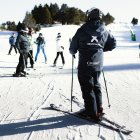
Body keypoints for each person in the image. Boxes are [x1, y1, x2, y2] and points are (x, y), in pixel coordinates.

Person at [69, 7, 116, 122]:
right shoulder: (104, 30)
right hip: (98, 62)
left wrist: (73, 51)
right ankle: (98, 108)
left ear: (89, 16)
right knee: (96, 84)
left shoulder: (82, 29)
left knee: (87, 87)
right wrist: (100, 49)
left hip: (85, 63)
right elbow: (113, 44)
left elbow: (73, 46)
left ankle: (91, 113)